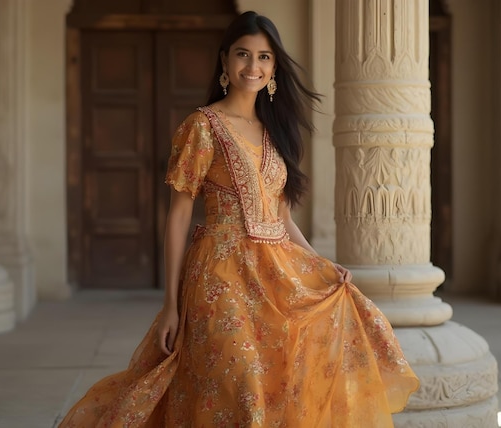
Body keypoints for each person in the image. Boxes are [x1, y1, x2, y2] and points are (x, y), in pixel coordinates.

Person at [59, 11, 419, 428]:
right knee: (241, 386)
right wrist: (170, 306)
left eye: (264, 57)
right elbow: (178, 219)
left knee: (278, 387)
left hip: (276, 277)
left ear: (274, 67)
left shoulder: (275, 132)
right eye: (243, 55)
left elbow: (281, 216)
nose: (254, 66)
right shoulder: (202, 127)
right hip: (219, 276)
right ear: (225, 62)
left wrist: (318, 263)